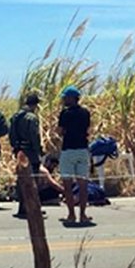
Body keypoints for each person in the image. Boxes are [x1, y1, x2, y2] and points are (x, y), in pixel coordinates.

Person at [57, 85, 93, 225]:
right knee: (83, 184)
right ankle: (83, 214)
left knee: (67, 184)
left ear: (72, 98)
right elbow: (87, 128)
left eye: (66, 97)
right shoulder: (85, 112)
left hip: (68, 149)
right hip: (83, 149)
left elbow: (60, 131)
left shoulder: (65, 113)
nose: (64, 100)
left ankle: (71, 214)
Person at [9, 93, 44, 219]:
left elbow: (11, 135)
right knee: (33, 180)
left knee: (21, 179)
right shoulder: (31, 118)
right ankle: (31, 207)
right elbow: (35, 136)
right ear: (35, 104)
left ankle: (21, 207)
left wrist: (15, 147)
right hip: (30, 152)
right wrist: (38, 150)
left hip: (19, 151)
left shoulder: (15, 116)